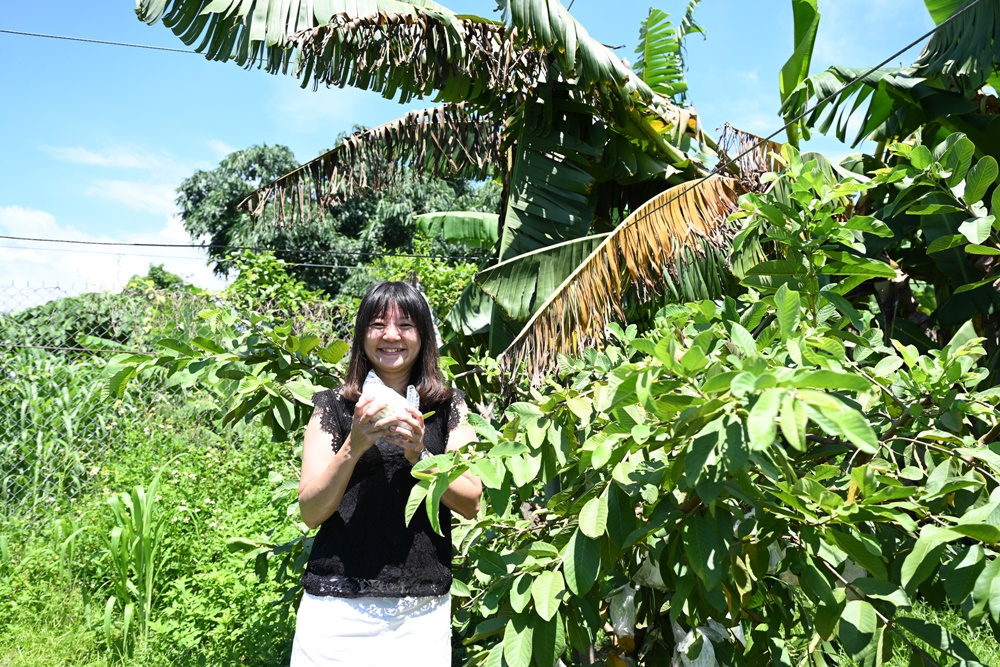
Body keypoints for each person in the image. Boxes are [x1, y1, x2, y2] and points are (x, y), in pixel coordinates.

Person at [291, 280, 482, 667]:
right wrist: (354, 445)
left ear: (424, 336)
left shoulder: (449, 407)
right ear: (362, 334)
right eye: (378, 324)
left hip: (420, 610)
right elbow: (310, 513)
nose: (391, 335)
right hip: (336, 606)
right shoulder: (334, 407)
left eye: (406, 325)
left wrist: (420, 455)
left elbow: (471, 501)